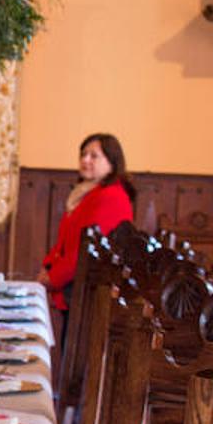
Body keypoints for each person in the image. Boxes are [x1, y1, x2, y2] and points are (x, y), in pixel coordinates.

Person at [38, 133, 136, 311]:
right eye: (83, 154)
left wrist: (53, 278)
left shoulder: (111, 196)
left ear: (112, 163)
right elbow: (66, 241)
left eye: (94, 156)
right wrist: (48, 267)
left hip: (89, 287)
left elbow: (86, 247)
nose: (85, 160)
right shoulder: (88, 193)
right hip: (75, 281)